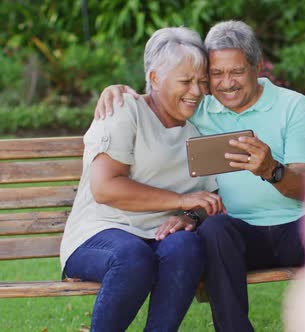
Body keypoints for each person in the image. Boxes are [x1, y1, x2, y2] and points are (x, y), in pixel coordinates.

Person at [95, 20, 305, 332]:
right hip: (237, 234)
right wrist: (117, 90)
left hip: (296, 227)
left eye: (237, 71)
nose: (227, 83)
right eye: (216, 74)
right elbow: (161, 96)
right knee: (214, 231)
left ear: (257, 67)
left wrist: (272, 169)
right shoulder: (198, 108)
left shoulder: (293, 106)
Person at [60, 27, 225, 332]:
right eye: (186, 81)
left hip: (160, 237)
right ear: (154, 79)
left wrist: (191, 213)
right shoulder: (124, 110)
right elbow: (106, 187)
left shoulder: (200, 126)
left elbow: (208, 199)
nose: (197, 91)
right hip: (101, 233)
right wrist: (181, 200)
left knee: (187, 247)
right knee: (133, 256)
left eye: (202, 82)